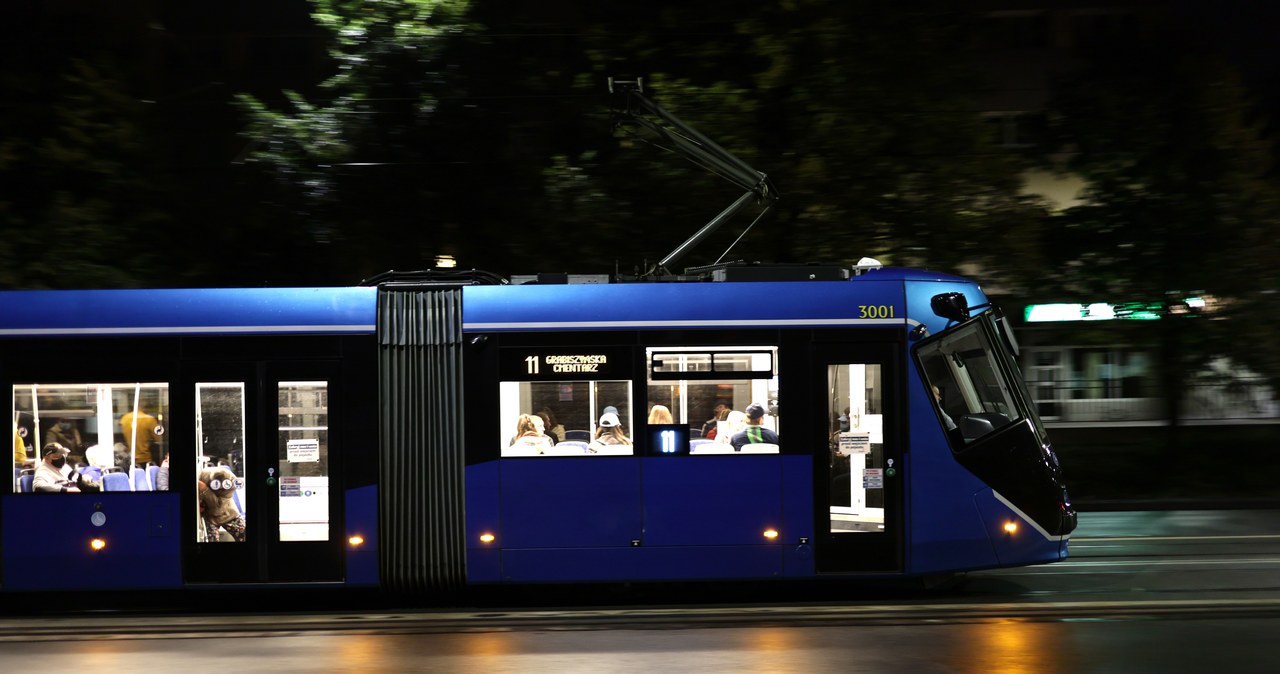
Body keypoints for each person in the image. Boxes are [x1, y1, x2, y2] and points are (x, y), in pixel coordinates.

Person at [199, 466, 245, 542]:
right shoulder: (205, 475)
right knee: (210, 540)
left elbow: (217, 510)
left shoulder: (233, 481)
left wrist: (205, 490)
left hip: (228, 514)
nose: (221, 489)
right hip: (210, 517)